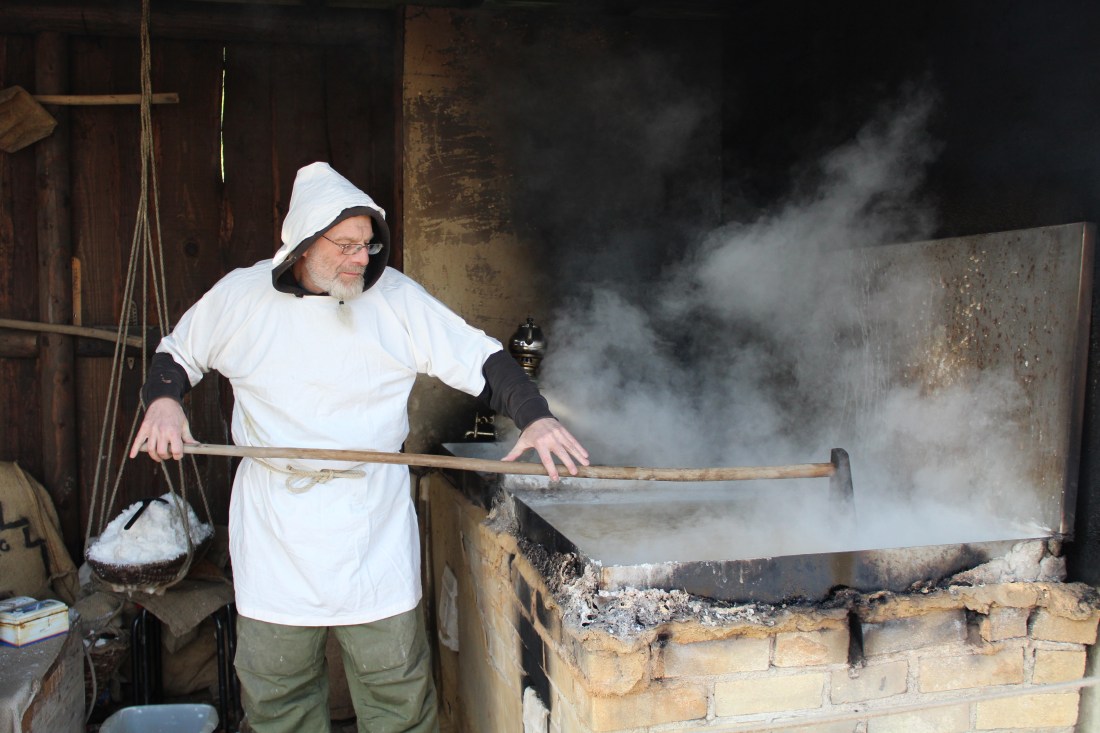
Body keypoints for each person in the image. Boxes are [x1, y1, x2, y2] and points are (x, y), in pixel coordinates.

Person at [129, 161, 589, 733]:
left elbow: (484, 360)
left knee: (396, 693)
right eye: (344, 245)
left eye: (368, 245)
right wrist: (164, 402)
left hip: (372, 524)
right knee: (278, 694)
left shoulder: (395, 299)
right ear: (301, 242)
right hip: (276, 528)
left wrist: (536, 418)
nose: (360, 259)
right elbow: (178, 354)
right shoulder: (241, 297)